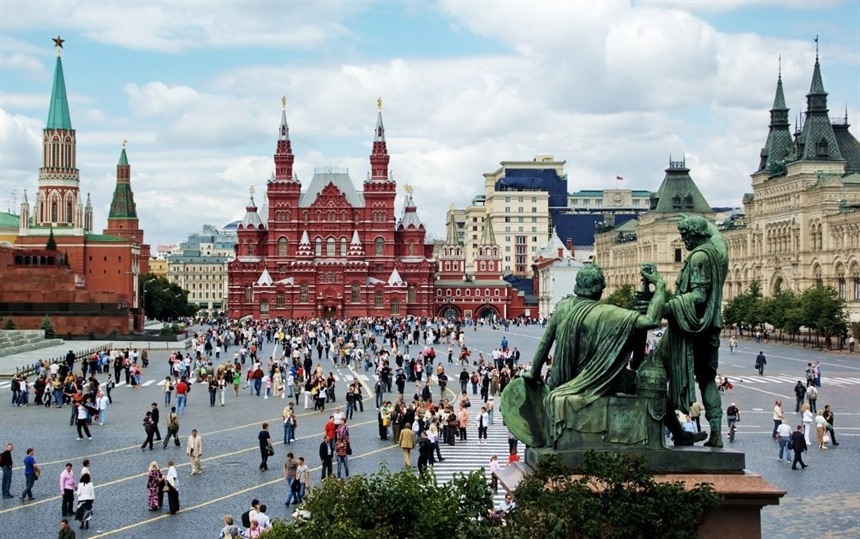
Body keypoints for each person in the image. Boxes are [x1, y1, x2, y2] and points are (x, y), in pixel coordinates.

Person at [521, 263, 667, 449]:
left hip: (562, 382)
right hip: (600, 382)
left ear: (577, 286)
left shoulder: (562, 308)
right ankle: (667, 436)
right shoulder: (608, 313)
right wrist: (660, 286)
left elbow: (544, 344)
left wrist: (533, 374)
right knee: (651, 386)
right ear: (599, 290)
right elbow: (651, 320)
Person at [650, 216, 728, 447]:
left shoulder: (699, 257)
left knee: (653, 372)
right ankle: (716, 434)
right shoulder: (718, 252)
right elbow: (717, 235)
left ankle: (664, 430)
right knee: (707, 379)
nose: (683, 240)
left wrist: (667, 305)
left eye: (686, 235)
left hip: (688, 328)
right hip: (710, 328)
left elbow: (699, 296)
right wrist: (700, 218)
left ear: (697, 235)